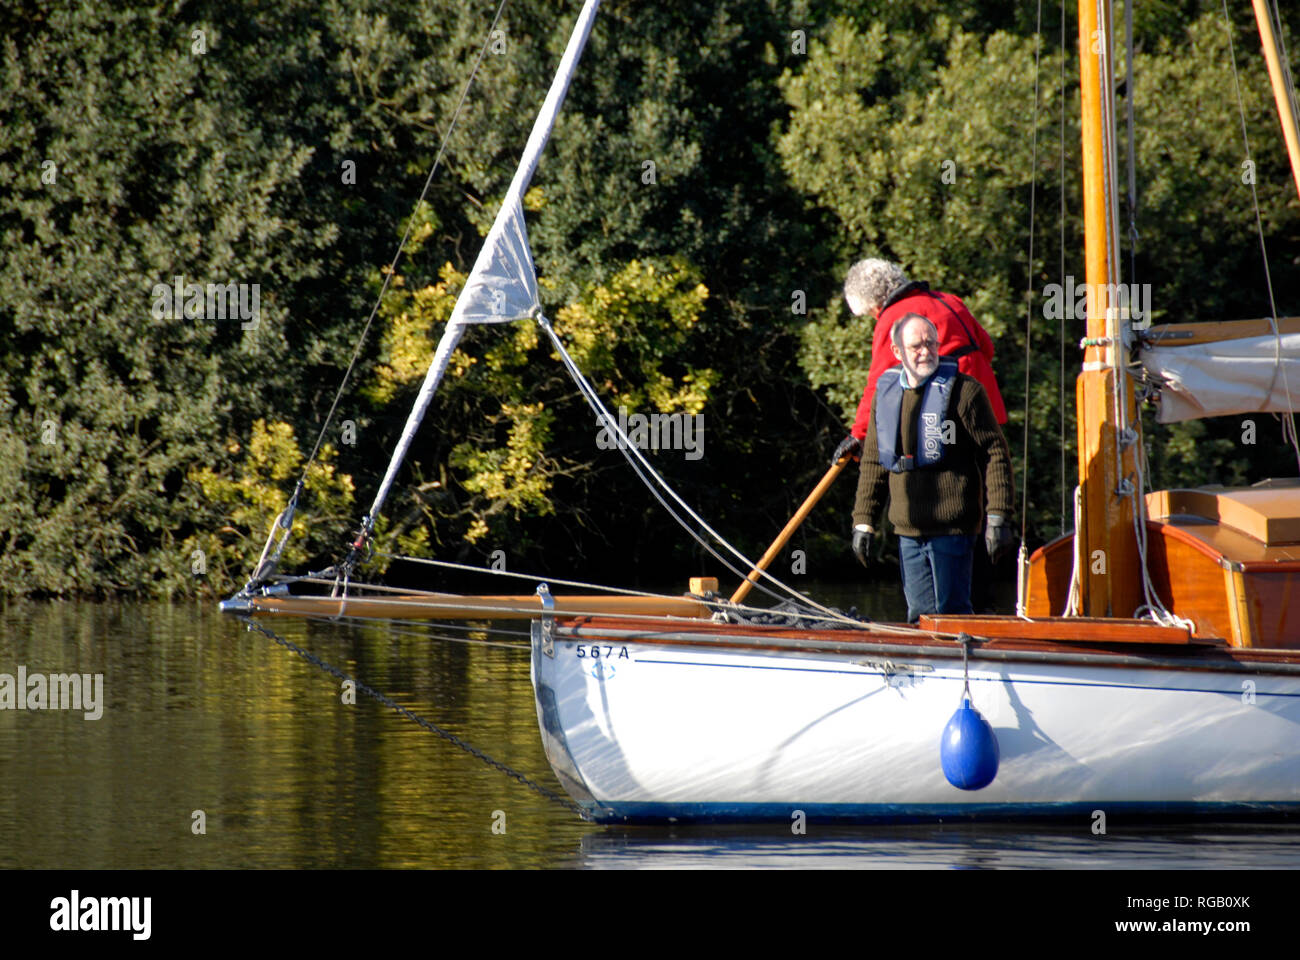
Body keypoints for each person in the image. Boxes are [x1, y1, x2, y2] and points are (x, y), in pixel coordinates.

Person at [851, 313, 1015, 623]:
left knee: (954, 616)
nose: (925, 352)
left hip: (954, 528)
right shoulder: (885, 396)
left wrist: (998, 516)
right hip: (908, 530)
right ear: (898, 352)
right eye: (916, 346)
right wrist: (863, 522)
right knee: (919, 619)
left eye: (931, 343)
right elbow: (873, 461)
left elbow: (995, 452)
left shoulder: (966, 392)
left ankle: (964, 667)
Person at [831, 259, 1007, 466]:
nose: (875, 318)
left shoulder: (892, 319)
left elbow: (880, 385)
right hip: (987, 405)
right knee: (990, 480)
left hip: (947, 413)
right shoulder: (949, 300)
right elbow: (987, 349)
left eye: (872, 313)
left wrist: (858, 434)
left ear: (873, 303)